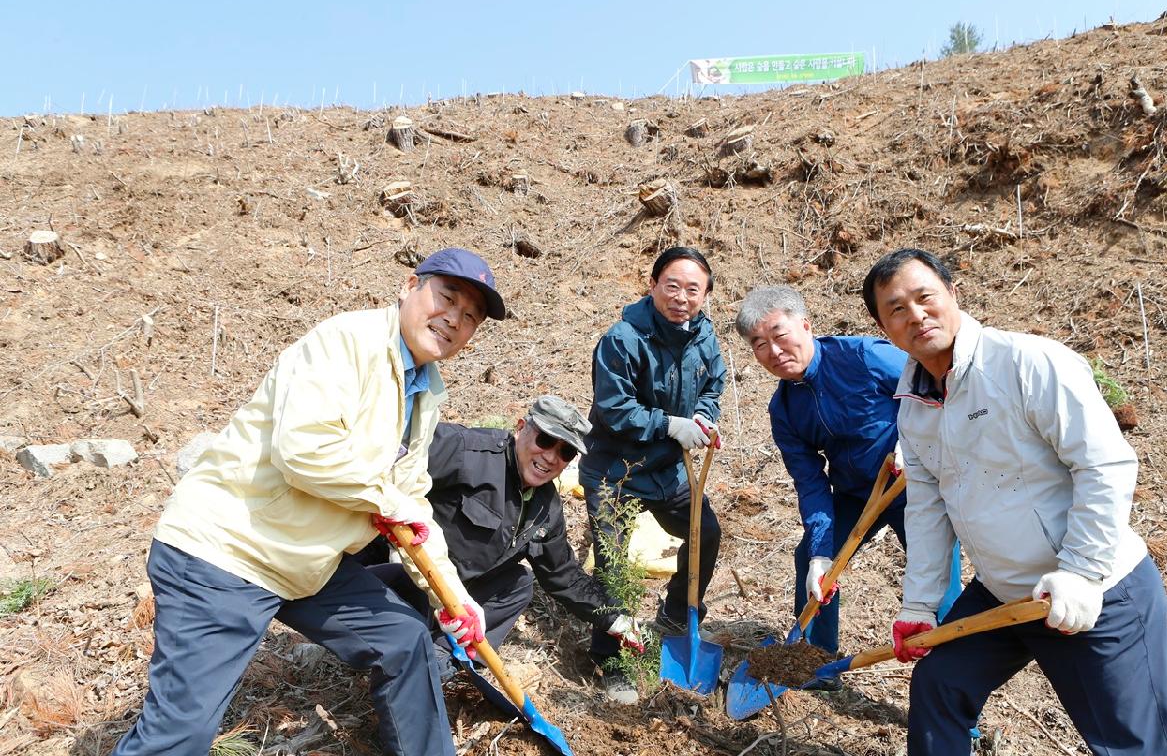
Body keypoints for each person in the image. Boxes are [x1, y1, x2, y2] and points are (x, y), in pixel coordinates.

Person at [114, 248, 506, 756]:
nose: (453, 319)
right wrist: (389, 501)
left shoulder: (425, 391)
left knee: (403, 639)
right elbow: (304, 451)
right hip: (228, 551)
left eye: (470, 316)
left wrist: (455, 600)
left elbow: (411, 502)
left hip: (304, 560)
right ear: (410, 287)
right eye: (447, 298)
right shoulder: (348, 343)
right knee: (180, 736)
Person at [863, 248, 1167, 756]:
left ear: (953, 294)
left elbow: (1104, 465)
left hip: (1097, 592)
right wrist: (920, 604)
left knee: (1132, 745)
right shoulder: (915, 406)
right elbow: (927, 509)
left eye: (925, 298)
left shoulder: (1028, 363)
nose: (916, 315)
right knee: (939, 686)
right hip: (1004, 594)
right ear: (884, 326)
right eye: (896, 309)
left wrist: (1080, 571)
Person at [734, 286, 961, 676]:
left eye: (780, 335)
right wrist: (823, 552)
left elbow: (937, 384)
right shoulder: (785, 409)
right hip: (857, 493)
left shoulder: (863, 356)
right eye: (760, 344)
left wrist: (918, 440)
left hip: (918, 486)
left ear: (805, 325)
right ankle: (814, 660)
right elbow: (811, 484)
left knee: (938, 584)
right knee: (813, 558)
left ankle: (955, 687)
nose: (774, 351)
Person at [361, 395, 646, 679]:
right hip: (407, 574)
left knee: (519, 583)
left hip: (458, 597)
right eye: (545, 440)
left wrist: (616, 621)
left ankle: (442, 661)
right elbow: (396, 453)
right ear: (521, 427)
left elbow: (564, 575)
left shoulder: (545, 509)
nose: (550, 457)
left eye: (566, 452)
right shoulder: (467, 451)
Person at [579, 246, 727, 704]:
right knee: (613, 566)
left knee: (707, 534)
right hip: (615, 471)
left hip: (670, 471)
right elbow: (614, 409)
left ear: (704, 297)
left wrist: (702, 417)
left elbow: (712, 385)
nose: (681, 297)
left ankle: (678, 613)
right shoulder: (623, 338)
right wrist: (670, 425)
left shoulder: (704, 337)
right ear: (653, 285)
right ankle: (611, 660)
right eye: (673, 286)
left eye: (693, 289)